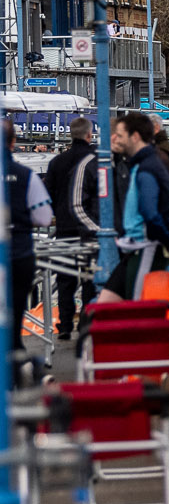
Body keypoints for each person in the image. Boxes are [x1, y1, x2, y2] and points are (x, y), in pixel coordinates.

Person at [103, 112, 169, 300]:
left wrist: (167, 241)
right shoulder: (143, 163)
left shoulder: (146, 167)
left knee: (137, 304)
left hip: (145, 245)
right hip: (137, 245)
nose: (116, 139)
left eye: (120, 136)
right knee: (108, 302)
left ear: (134, 137)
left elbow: (150, 212)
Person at [44, 117, 99, 340]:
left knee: (65, 279)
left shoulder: (57, 162)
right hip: (90, 230)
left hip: (65, 229)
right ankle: (86, 325)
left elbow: (48, 193)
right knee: (89, 279)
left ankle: (64, 325)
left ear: (70, 134)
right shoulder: (95, 161)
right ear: (89, 134)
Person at [6, 121, 55, 361]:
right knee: (15, 314)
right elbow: (44, 217)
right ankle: (15, 359)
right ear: (13, 143)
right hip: (19, 254)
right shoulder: (26, 176)